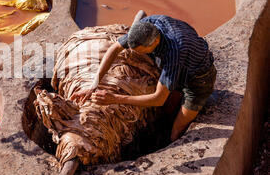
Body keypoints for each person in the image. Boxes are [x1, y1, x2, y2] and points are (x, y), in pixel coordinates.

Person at [71, 13, 217, 141]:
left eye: (141, 52)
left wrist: (114, 98)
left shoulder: (175, 53)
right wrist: (93, 85)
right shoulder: (149, 24)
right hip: (181, 63)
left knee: (177, 129)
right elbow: (114, 48)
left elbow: (158, 99)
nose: (137, 54)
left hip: (199, 78)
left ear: (155, 42)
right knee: (168, 110)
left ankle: (172, 141)